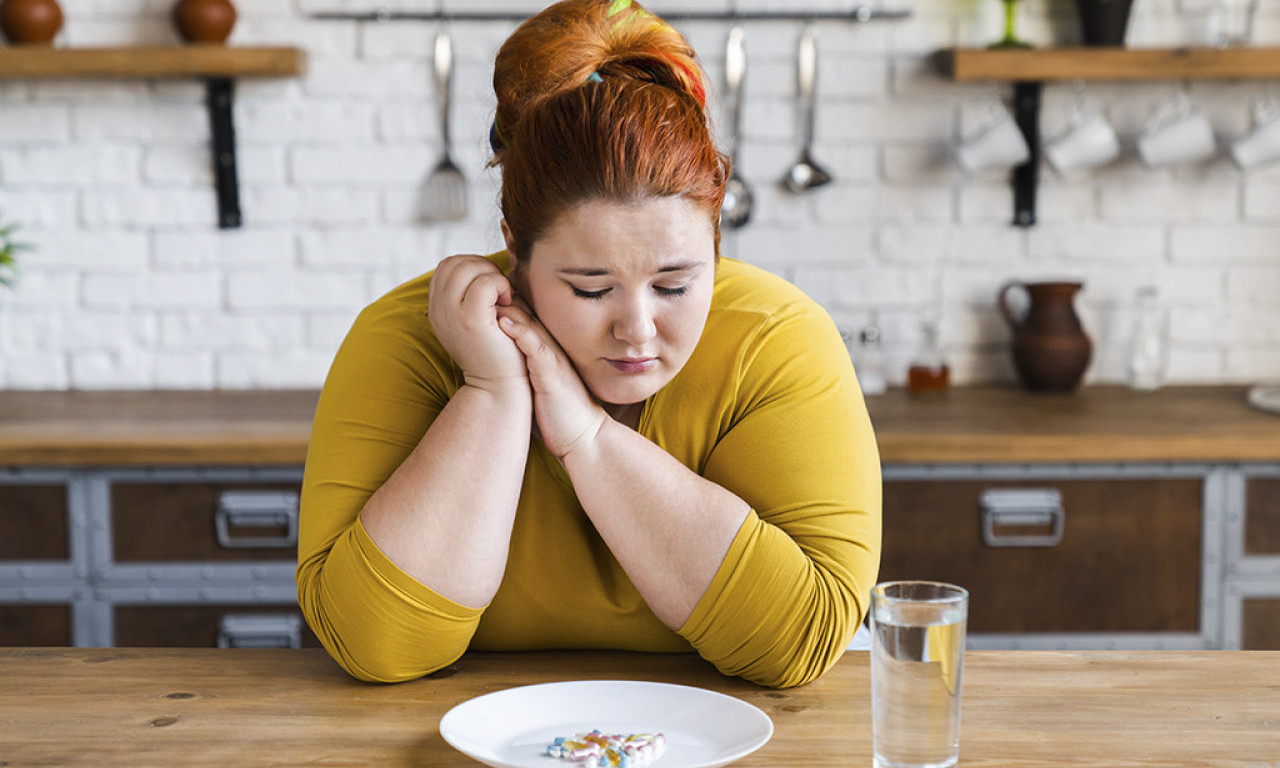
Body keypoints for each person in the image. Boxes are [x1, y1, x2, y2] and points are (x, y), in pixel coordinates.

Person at [297, 0, 881, 690]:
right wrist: (492, 389)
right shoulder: (406, 339)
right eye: (590, 288)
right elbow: (373, 644)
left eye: (674, 284)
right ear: (515, 247)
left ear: (716, 239)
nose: (636, 328)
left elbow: (799, 642)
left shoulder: (778, 340)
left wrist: (586, 438)